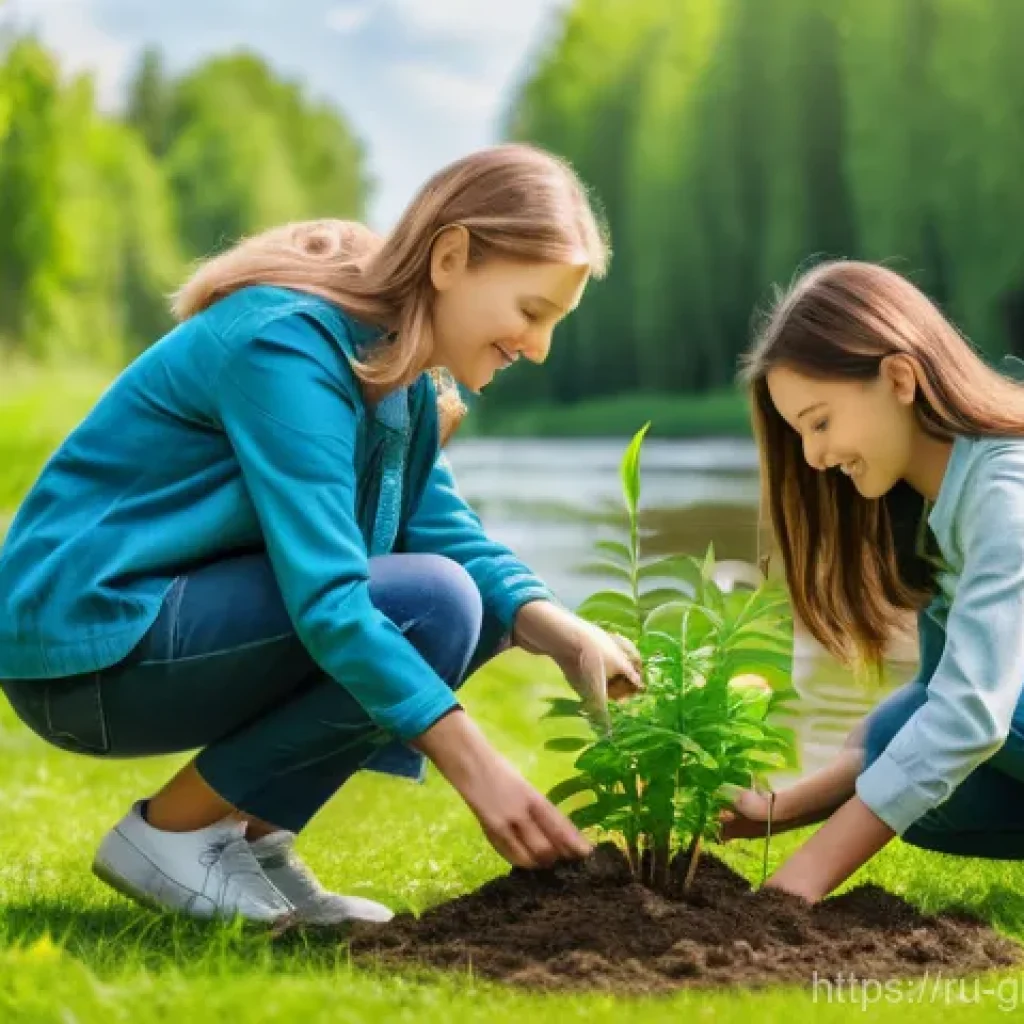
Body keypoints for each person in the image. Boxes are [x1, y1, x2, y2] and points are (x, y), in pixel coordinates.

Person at [0, 143, 643, 927]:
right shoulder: (289, 346)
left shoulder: (400, 370)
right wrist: (477, 766)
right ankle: (170, 833)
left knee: (450, 600)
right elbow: (332, 598)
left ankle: (248, 843)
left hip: (147, 635)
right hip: (88, 646)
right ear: (451, 258)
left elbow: (445, 534)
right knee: (428, 602)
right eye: (531, 311)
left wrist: (560, 630)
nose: (538, 346)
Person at [722, 259, 1024, 903]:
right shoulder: (933, 509)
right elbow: (929, 698)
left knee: (943, 723)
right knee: (899, 740)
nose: (814, 457)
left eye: (820, 422)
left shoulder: (1004, 489)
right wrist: (779, 812)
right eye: (801, 432)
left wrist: (795, 885)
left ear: (898, 377)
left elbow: (971, 715)